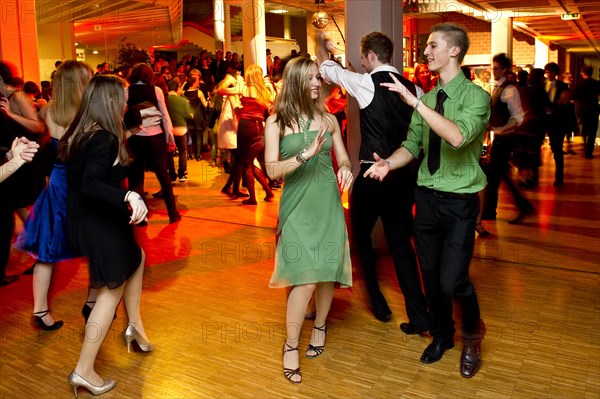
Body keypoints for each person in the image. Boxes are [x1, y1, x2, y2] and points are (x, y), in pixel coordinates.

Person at [364, 22, 490, 378]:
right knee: (431, 277)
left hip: (460, 203)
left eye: (433, 46)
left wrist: (416, 104)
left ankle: (472, 334)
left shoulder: (475, 97)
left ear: (454, 51)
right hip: (427, 200)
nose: (426, 52)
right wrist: (389, 163)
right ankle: (442, 334)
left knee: (454, 281)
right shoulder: (429, 99)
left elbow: (455, 137)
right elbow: (412, 146)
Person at [316, 30, 429, 332]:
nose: (363, 63)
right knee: (402, 246)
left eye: (364, 58)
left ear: (372, 56)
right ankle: (419, 317)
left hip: (371, 174)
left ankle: (377, 303)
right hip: (402, 175)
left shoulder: (367, 83)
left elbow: (326, 69)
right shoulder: (414, 89)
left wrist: (322, 44)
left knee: (361, 238)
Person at [61, 75, 153, 397]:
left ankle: (135, 326)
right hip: (98, 221)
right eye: (123, 97)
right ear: (110, 102)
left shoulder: (85, 132)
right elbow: (90, 183)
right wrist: (128, 197)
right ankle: (84, 370)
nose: (126, 102)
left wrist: (128, 132)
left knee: (136, 259)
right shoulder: (104, 140)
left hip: (85, 219)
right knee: (110, 291)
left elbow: (92, 171)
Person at [264, 56, 353, 384]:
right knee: (305, 278)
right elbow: (271, 169)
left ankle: (319, 327)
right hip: (297, 205)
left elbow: (342, 156)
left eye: (318, 77)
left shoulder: (328, 119)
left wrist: (345, 169)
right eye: (310, 78)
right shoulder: (275, 122)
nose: (317, 83)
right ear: (294, 82)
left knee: (326, 272)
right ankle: (290, 346)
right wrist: (303, 156)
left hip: (327, 201)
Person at [15, 60, 93, 330]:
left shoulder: (48, 112)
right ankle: (96, 303)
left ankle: (40, 311)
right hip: (82, 186)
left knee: (47, 252)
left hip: (57, 186)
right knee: (96, 245)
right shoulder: (88, 114)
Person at [0, 61, 47, 287]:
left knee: (23, 208)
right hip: (10, 162)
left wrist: (11, 115)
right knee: (17, 209)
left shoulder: (16, 98)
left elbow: (38, 127)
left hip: (25, 161)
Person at [481, 53, 533, 224]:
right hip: (501, 138)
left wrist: (501, 128)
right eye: (493, 68)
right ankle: (492, 210)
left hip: (506, 139)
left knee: (496, 174)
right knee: (497, 174)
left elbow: (518, 116)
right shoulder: (498, 88)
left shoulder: (509, 90)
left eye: (496, 68)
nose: (493, 71)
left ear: (504, 69)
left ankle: (514, 206)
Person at [126, 63, 181, 223]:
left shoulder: (126, 92)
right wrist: (169, 138)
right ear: (150, 76)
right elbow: (164, 116)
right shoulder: (156, 91)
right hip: (155, 137)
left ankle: (140, 217)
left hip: (135, 138)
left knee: (136, 178)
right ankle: (173, 214)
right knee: (163, 176)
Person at [219, 64, 274, 205]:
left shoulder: (244, 88)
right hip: (259, 128)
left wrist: (228, 79)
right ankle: (268, 191)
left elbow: (220, 91)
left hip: (246, 126)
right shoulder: (266, 91)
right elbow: (273, 105)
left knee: (246, 163)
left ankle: (253, 198)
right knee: (249, 161)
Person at [544, 62, 570, 186]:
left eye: (551, 72)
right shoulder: (541, 85)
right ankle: (532, 176)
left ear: (556, 73)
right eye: (547, 72)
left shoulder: (562, 86)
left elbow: (564, 104)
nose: (548, 74)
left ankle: (559, 177)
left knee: (557, 150)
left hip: (556, 121)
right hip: (543, 120)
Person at [166, 79, 194, 182]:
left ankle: (172, 175)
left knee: (169, 153)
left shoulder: (165, 99)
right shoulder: (182, 100)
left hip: (168, 129)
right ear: (178, 89)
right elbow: (189, 115)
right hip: (181, 129)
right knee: (182, 151)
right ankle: (182, 174)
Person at [573, 65, 599, 159]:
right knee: (592, 132)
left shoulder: (580, 85)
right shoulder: (596, 83)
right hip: (594, 110)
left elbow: (574, 97)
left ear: (583, 73)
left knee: (584, 130)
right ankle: (589, 152)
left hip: (583, 110)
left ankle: (585, 146)